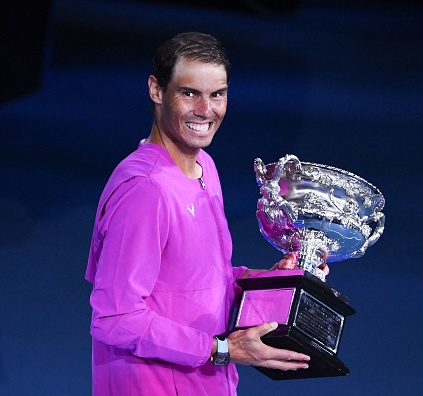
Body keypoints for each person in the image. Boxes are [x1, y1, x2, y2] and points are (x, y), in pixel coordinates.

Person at [85, 32, 321, 395]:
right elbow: (116, 318)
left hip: (207, 380)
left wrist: (266, 283)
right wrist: (222, 349)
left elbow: (196, 281)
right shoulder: (145, 192)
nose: (205, 111)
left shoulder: (204, 167)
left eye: (217, 94)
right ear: (156, 90)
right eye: (189, 93)